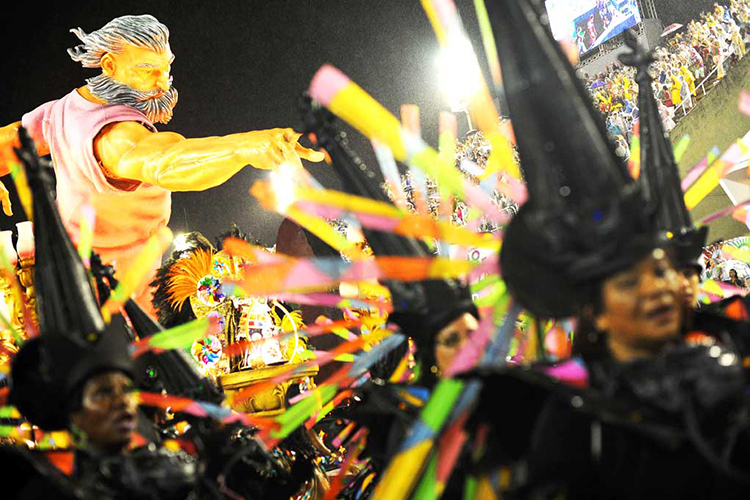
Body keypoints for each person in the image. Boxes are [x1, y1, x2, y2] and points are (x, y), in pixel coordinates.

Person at [0, 15, 324, 314]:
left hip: (76, 284)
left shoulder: (65, 109)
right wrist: (246, 147)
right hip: (118, 299)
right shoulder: (115, 136)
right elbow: (167, 161)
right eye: (146, 70)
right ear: (109, 64)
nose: (162, 82)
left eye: (165, 68)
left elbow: (12, 138)